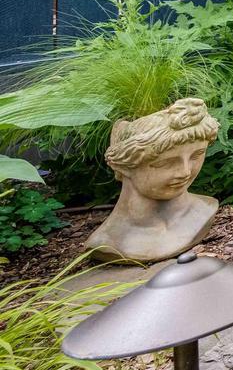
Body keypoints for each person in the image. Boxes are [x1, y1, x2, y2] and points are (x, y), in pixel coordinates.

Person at [86, 98, 220, 263]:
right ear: (123, 165)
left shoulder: (204, 211)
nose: (185, 171)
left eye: (197, 155)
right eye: (166, 162)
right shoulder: (108, 243)